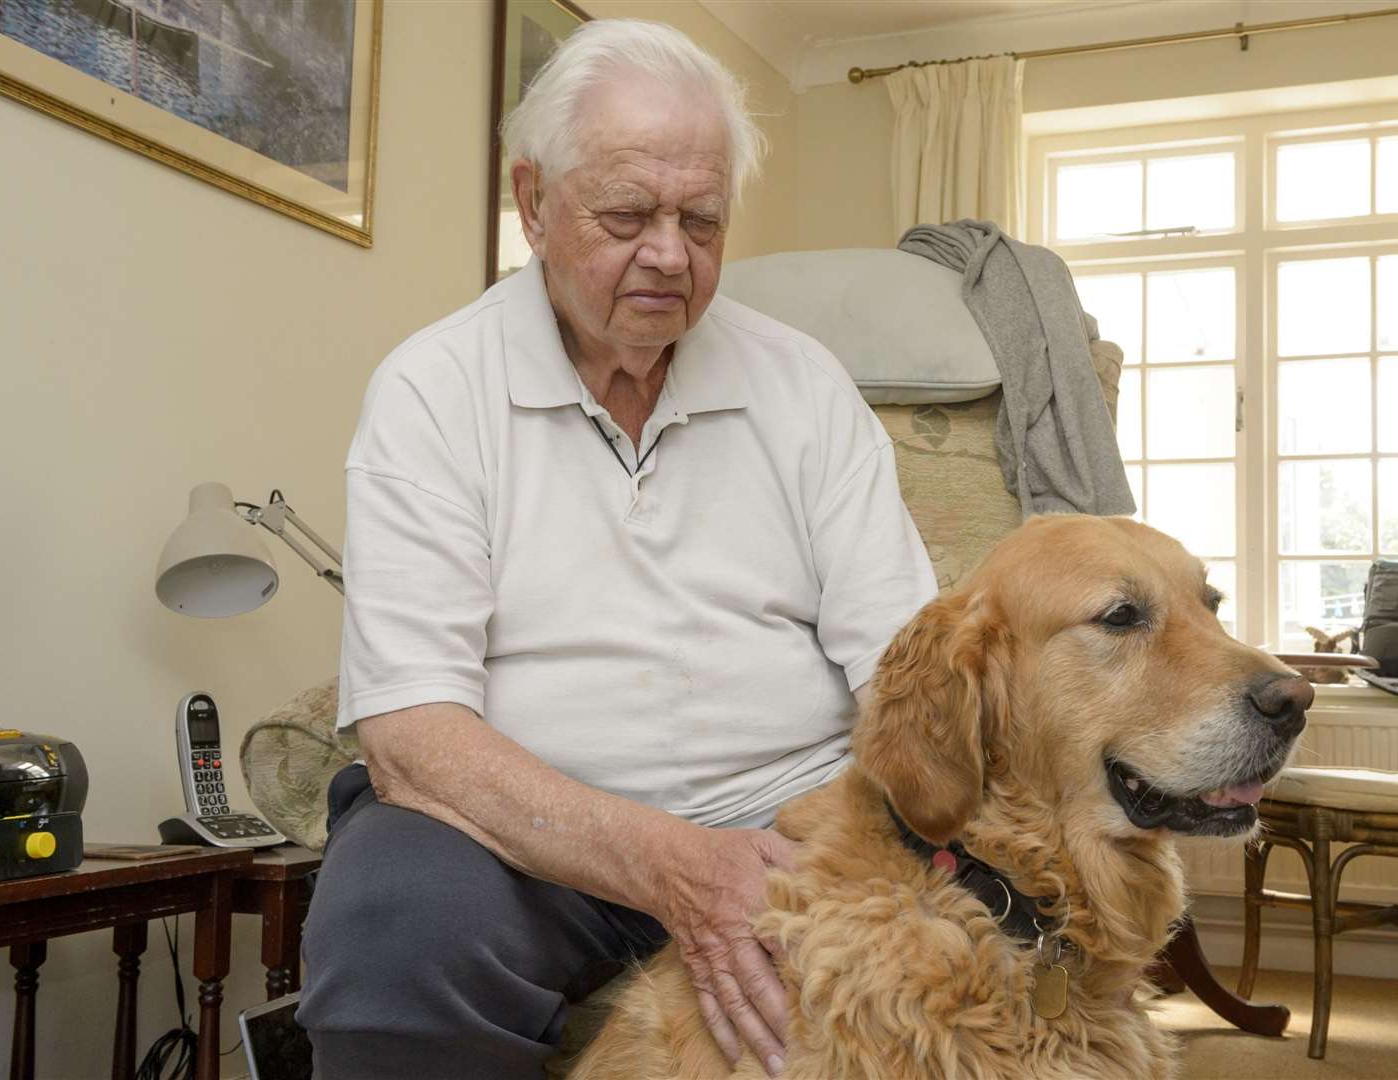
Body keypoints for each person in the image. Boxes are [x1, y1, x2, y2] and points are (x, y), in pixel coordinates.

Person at [296, 19, 936, 1080]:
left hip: (793, 826)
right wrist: (681, 867)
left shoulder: (805, 385)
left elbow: (904, 672)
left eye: (703, 219)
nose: (670, 255)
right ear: (534, 203)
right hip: (521, 838)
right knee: (394, 923)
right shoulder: (434, 388)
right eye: (629, 214)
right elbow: (412, 734)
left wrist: (876, 845)